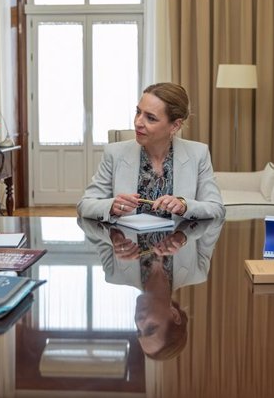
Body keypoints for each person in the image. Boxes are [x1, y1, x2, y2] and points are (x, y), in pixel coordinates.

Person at [78, 216, 224, 360]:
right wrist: (183, 236)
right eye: (150, 328)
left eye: (138, 331)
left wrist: (113, 235)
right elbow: (215, 220)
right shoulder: (197, 271)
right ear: (174, 315)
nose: (139, 322)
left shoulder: (115, 273)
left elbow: (84, 221)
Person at [77, 82, 225, 221]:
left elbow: (216, 208)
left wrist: (185, 206)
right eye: (138, 112)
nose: (138, 122)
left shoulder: (198, 153)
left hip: (179, 245)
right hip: (128, 244)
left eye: (151, 118)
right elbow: (85, 205)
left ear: (175, 125)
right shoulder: (114, 153)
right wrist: (111, 207)